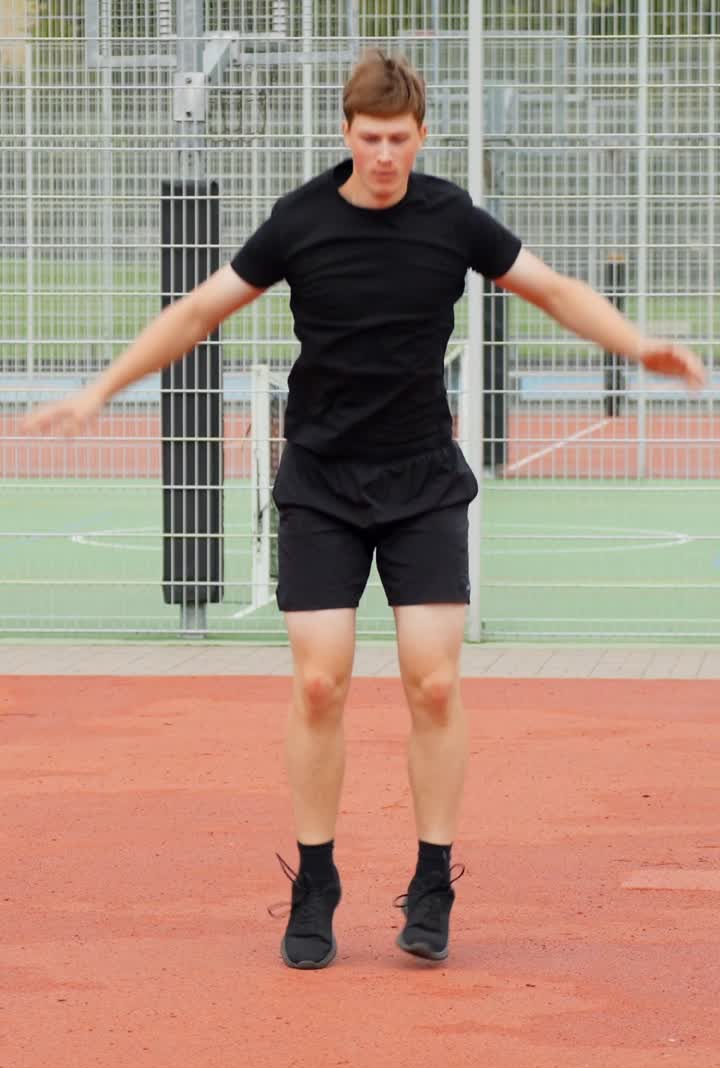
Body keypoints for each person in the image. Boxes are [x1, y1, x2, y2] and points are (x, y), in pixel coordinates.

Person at [22, 50, 705, 971]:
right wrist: (99, 391)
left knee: (431, 681)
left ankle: (431, 880)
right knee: (319, 682)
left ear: (421, 137)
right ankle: (316, 881)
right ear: (347, 134)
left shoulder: (451, 215)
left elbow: (552, 289)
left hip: (422, 478)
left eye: (399, 139)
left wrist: (640, 343)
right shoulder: (301, 219)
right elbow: (195, 312)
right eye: (369, 138)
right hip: (322, 481)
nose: (384, 154)